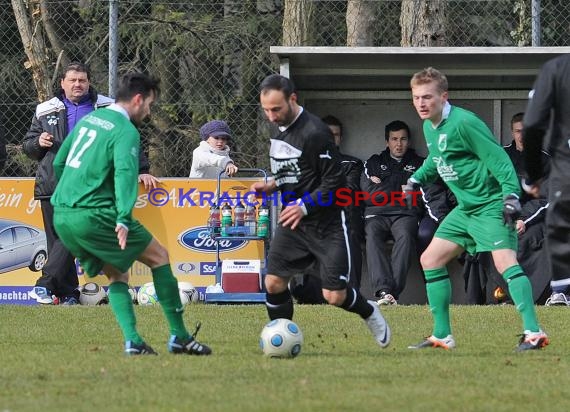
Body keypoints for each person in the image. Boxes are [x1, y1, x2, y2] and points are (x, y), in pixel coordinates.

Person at [51, 72, 211, 356]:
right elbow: (127, 175)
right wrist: (123, 217)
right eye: (149, 104)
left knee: (117, 273)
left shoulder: (89, 119)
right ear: (138, 100)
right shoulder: (125, 130)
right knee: (159, 257)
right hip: (94, 214)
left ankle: (133, 341)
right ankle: (179, 336)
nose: (149, 111)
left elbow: (60, 161)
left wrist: (75, 191)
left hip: (63, 214)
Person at [406, 67, 548, 351]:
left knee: (505, 263)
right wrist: (416, 178)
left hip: (491, 206)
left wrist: (510, 196)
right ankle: (443, 335)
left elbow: (499, 160)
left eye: (427, 97)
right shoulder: (429, 125)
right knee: (430, 259)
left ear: (444, 96)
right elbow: (438, 158)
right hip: (465, 210)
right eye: (416, 97)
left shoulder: (464, 122)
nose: (421, 103)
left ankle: (534, 332)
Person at [251, 74, 390, 348]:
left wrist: (304, 206)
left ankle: (370, 311)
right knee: (274, 283)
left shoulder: (316, 133)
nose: (271, 116)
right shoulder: (278, 127)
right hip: (294, 222)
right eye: (266, 110)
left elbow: (334, 182)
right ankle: (281, 340)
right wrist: (272, 184)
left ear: (293, 99)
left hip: (328, 225)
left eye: (276, 109)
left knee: (334, 295)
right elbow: (297, 170)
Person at [23, 62, 159, 305]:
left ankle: (44, 285)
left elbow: (126, 137)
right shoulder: (46, 109)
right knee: (58, 243)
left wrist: (142, 169)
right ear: (62, 83)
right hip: (52, 184)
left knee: (71, 236)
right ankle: (67, 294)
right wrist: (37, 143)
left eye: (82, 80)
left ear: (88, 82)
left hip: (88, 186)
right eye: (73, 80)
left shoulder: (105, 106)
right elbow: (28, 146)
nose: (78, 84)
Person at [522, 54, 570, 307]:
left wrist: (532, 175)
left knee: (560, 225)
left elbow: (532, 124)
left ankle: (562, 290)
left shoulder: (556, 68)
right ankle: (562, 291)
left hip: (565, 168)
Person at [360, 120, 424, 305]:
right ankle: (384, 291)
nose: (399, 143)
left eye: (403, 139)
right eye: (394, 139)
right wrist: (402, 188)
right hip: (376, 214)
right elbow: (369, 195)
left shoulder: (420, 163)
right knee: (372, 235)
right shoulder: (373, 162)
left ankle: (390, 294)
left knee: (405, 236)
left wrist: (383, 186)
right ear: (387, 142)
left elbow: (419, 195)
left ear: (409, 141)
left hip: (406, 214)